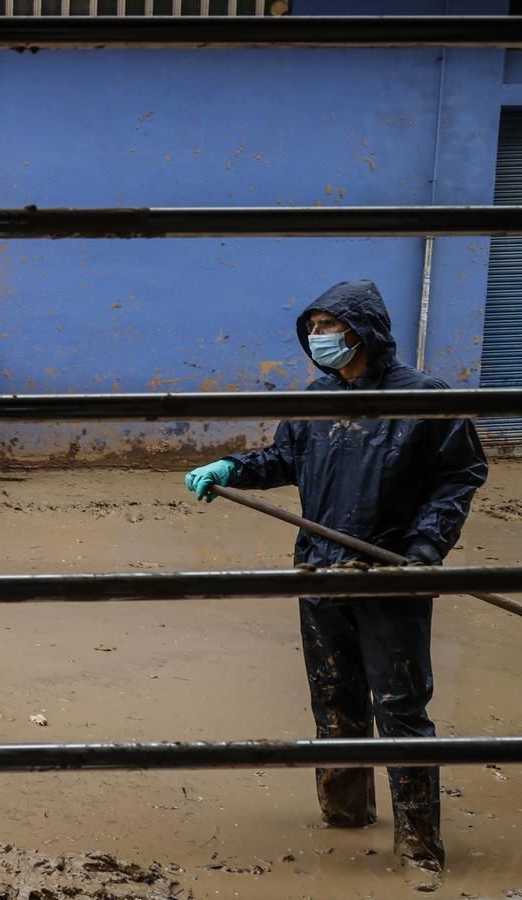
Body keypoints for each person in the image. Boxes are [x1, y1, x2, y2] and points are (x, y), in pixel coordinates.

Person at [184, 279, 487, 892]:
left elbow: (460, 475)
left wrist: (426, 548)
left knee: (401, 710)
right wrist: (232, 469)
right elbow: (283, 460)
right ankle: (346, 814)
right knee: (334, 699)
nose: (319, 338)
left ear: (363, 330)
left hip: (390, 576)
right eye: (314, 327)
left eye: (330, 326)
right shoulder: (316, 400)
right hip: (320, 571)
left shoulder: (423, 398)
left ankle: (419, 846)